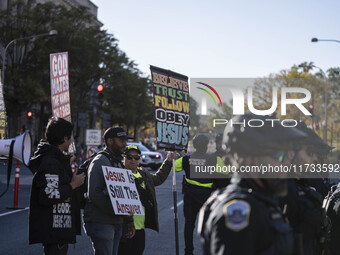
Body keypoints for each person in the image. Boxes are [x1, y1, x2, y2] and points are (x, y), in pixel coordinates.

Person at [198, 113, 307, 255]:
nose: (285, 163)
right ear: (249, 160)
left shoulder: (263, 202)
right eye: (278, 155)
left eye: (286, 156)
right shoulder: (239, 210)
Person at [28, 117, 85, 255]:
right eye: (70, 137)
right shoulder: (50, 163)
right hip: (54, 232)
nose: (71, 140)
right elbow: (47, 195)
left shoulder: (54, 160)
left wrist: (65, 161)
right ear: (64, 138)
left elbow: (58, 180)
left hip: (58, 228)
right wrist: (72, 185)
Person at [83, 127, 135, 255]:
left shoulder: (117, 162)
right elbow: (94, 194)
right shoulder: (100, 161)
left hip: (115, 221)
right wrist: (117, 209)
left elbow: (124, 194)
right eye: (121, 140)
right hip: (101, 222)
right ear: (110, 141)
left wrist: (128, 220)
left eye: (125, 140)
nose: (125, 144)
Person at [118, 145, 176, 255]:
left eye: (136, 157)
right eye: (129, 157)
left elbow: (158, 178)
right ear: (123, 158)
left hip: (140, 228)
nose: (133, 160)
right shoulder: (117, 175)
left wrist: (168, 161)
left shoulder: (143, 173)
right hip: (124, 228)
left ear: (140, 159)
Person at [174, 133, 224, 255]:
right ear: (207, 145)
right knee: (209, 226)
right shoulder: (214, 159)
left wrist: (176, 156)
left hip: (190, 195)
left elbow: (172, 168)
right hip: (207, 197)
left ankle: (188, 251)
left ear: (194, 145)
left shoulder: (186, 159)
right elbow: (226, 172)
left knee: (189, 224)